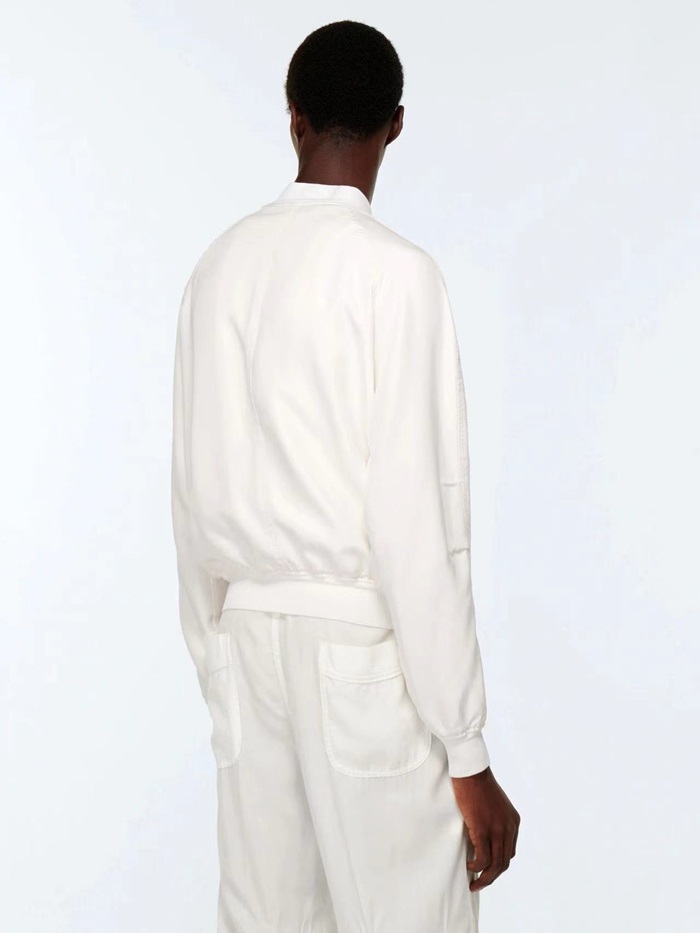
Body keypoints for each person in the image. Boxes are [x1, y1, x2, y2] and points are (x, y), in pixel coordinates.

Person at [171, 18, 520, 933]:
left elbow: (190, 488)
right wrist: (465, 745)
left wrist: (217, 656)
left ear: (292, 117)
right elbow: (415, 519)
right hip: (360, 647)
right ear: (396, 124)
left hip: (247, 635)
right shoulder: (396, 276)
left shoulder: (218, 268)